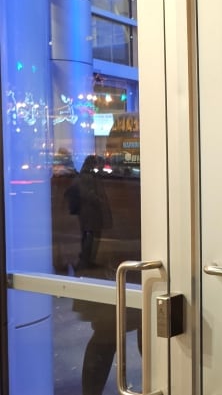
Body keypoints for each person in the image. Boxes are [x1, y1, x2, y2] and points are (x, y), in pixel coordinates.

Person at [66, 154, 141, 395]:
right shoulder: (115, 181)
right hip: (118, 261)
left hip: (116, 261)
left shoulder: (97, 181)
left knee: (109, 335)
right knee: (110, 334)